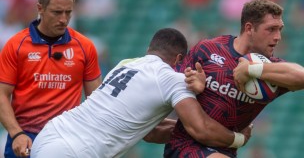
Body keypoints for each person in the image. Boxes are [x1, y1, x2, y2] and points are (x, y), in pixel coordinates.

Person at [30, 28, 252, 158]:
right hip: (74, 152)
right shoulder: (171, 78)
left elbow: (148, 130)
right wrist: (238, 138)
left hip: (50, 134)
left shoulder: (125, 64)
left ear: (149, 50)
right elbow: (200, 129)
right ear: (178, 60)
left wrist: (184, 128)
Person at [164, 0, 304, 157]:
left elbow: (301, 76)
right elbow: (168, 86)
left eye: (280, 29)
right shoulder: (208, 49)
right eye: (271, 29)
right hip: (186, 146)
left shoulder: (269, 70)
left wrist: (252, 69)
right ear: (249, 28)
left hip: (225, 150)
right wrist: (189, 85)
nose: (278, 36)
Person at [0, 0, 102, 157]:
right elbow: (1, 93)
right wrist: (16, 133)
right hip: (24, 137)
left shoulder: (85, 47)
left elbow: (97, 99)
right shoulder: (16, 46)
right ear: (40, 8)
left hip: (66, 139)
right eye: (57, 12)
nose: (63, 19)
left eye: (68, 12)